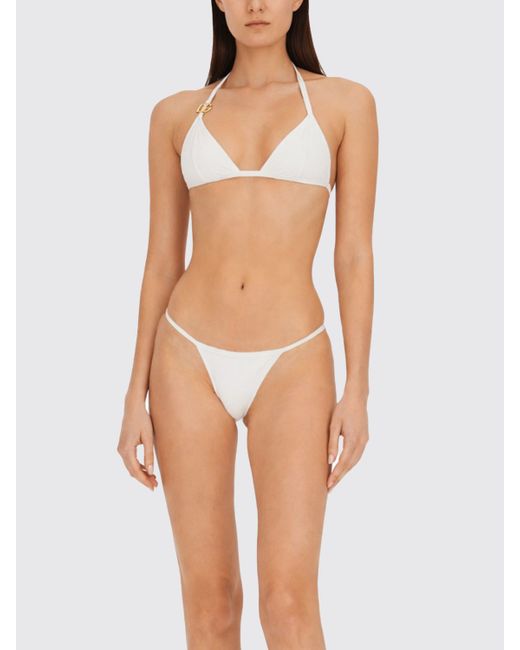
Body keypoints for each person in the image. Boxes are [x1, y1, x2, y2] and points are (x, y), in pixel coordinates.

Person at [117, 1, 378, 647]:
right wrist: (133, 396)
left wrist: (357, 389)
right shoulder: (176, 114)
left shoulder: (346, 104)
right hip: (186, 359)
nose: (255, 4)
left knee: (287, 605)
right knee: (209, 606)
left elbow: (353, 254)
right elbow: (160, 260)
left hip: (294, 360)